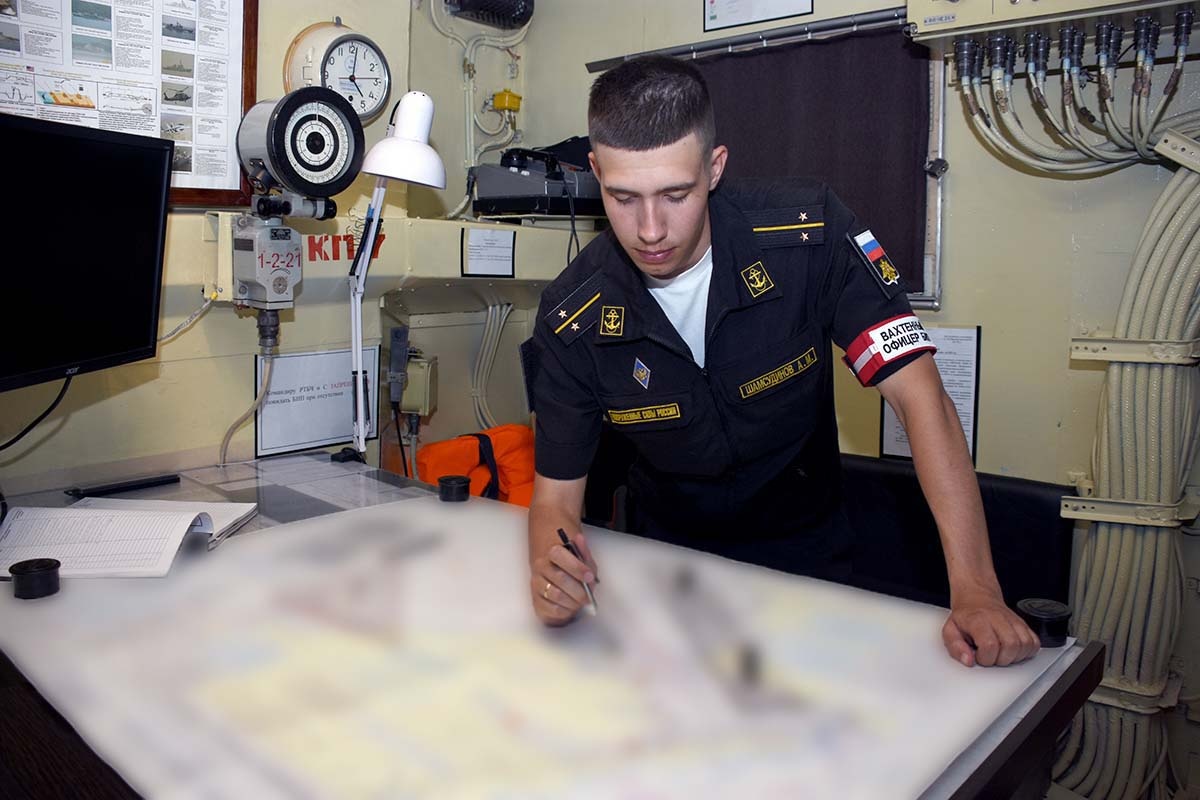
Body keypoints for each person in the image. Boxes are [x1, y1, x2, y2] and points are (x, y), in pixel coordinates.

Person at [525, 55, 1039, 668]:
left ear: (715, 168)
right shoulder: (572, 316)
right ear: (596, 173)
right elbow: (555, 497)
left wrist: (977, 590)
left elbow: (919, 397)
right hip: (669, 569)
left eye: (675, 194)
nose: (651, 229)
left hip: (808, 558)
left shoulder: (809, 237)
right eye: (623, 197)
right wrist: (551, 571)